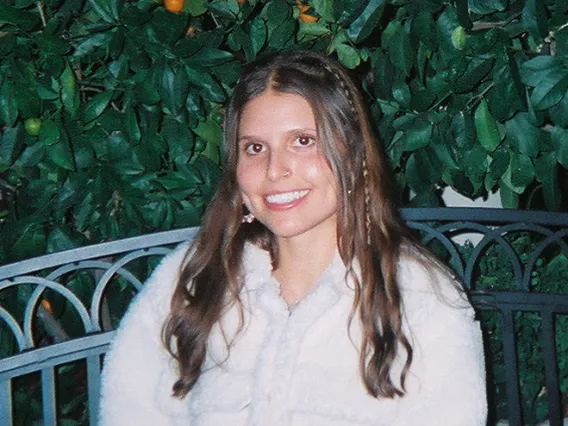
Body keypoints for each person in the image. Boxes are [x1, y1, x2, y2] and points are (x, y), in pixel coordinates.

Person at [99, 50, 487, 425]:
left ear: (352, 154)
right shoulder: (194, 277)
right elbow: (131, 408)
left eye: (303, 141)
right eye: (254, 148)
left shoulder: (421, 295)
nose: (274, 170)